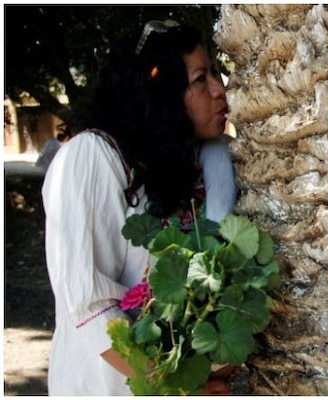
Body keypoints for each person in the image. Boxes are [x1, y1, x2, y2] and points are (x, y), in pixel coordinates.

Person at [41, 20, 237, 395]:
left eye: (214, 74)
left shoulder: (205, 160)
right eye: (200, 79)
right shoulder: (92, 157)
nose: (219, 90)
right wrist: (176, 383)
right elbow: (89, 305)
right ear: (159, 89)